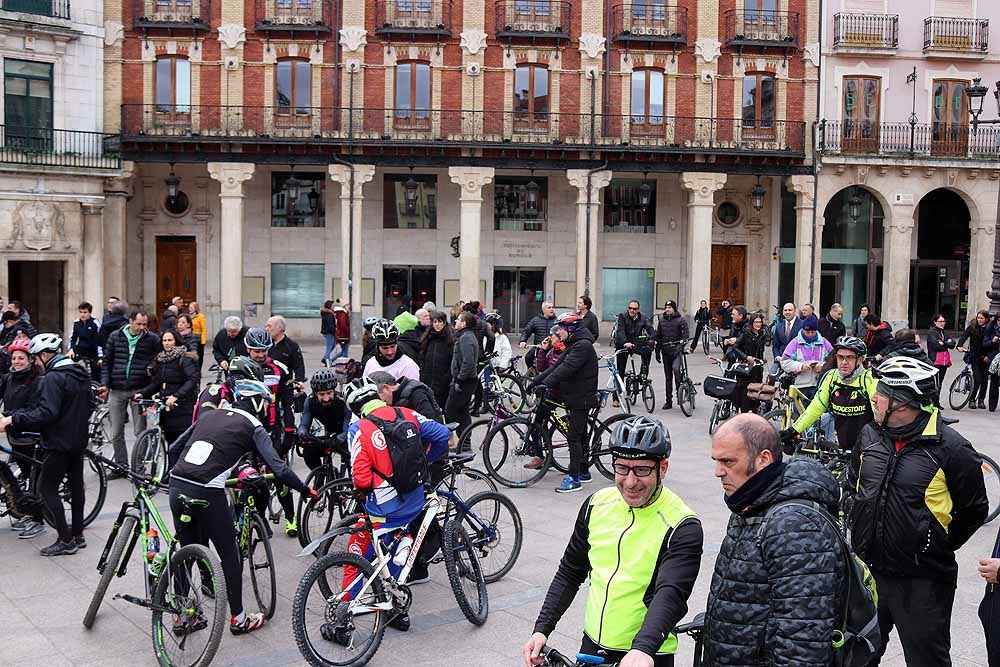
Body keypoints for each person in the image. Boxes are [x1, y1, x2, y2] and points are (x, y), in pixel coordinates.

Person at [523, 416, 703, 667]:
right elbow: (570, 572)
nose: (630, 481)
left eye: (642, 470)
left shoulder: (682, 525)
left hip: (645, 654)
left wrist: (643, 649)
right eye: (622, 468)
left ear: (662, 468)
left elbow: (670, 593)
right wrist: (542, 629)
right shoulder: (596, 504)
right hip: (592, 648)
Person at [850, 356, 987, 666]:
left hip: (922, 581)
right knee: (856, 657)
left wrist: (934, 542)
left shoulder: (952, 448)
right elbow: (853, 482)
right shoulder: (870, 434)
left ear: (902, 404)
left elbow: (975, 509)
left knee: (927, 660)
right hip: (868, 573)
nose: (873, 396)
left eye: (882, 393)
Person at [166, 379, 315, 635]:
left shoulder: (209, 415)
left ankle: (179, 617)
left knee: (187, 551)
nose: (267, 410)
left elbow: (174, 448)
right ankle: (239, 618)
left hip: (178, 485)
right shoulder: (254, 425)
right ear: (257, 403)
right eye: (266, 405)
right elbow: (278, 468)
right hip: (207, 490)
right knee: (229, 553)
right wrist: (305, 490)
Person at [704, 413, 844, 665]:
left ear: (763, 459)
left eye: (728, 461)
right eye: (716, 461)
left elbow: (803, 640)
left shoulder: (793, 526)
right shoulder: (753, 502)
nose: (718, 472)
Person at [338, 377, 451, 634]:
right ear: (378, 395)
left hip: (384, 506)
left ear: (354, 407)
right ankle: (397, 608)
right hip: (414, 498)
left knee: (359, 549)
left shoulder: (358, 429)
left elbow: (361, 479)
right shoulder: (407, 414)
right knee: (399, 543)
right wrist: (426, 460)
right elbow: (443, 435)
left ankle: (343, 618)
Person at [0, 334, 94, 556]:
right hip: (78, 440)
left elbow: (46, 413)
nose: (36, 363)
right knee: (76, 487)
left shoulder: (53, 378)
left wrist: (13, 419)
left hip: (58, 442)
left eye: (35, 358)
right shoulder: (79, 373)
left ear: (44, 355)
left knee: (47, 489)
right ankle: (78, 535)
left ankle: (65, 540)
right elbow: (91, 404)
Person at [530, 313, 598, 493]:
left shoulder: (582, 346)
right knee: (580, 436)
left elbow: (566, 369)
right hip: (575, 396)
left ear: (571, 329)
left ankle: (574, 479)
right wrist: (536, 381)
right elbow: (556, 366)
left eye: (561, 328)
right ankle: (584, 471)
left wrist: (546, 384)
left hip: (581, 397)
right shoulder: (574, 344)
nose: (558, 332)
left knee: (573, 437)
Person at [244, 327, 299, 536]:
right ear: (248, 349)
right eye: (256, 351)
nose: (260, 355)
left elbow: (289, 402)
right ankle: (259, 519)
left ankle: (291, 517)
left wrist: (290, 431)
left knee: (279, 475)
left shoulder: (279, 369)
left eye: (264, 351)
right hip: (247, 431)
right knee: (252, 480)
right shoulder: (239, 368)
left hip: (272, 430)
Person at [781, 336, 877, 453]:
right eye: (840, 357)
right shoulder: (831, 377)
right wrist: (794, 430)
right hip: (843, 445)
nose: (844, 362)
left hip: (868, 447)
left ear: (860, 359)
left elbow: (879, 415)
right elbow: (816, 407)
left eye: (849, 357)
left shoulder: (868, 379)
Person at [100, 310, 160, 475]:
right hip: (117, 389)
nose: (142, 327)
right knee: (116, 431)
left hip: (139, 389)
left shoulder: (152, 339)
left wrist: (150, 382)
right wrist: (105, 384)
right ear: (130, 322)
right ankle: (121, 466)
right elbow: (107, 362)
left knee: (140, 431)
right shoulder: (115, 337)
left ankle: (138, 467)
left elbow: (158, 361)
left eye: (145, 324)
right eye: (139, 324)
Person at [0, 339, 45, 538]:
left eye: (21, 358)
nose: (16, 361)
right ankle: (27, 509)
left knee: (35, 479)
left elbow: (34, 409)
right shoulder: (9, 378)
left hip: (31, 435)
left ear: (30, 360)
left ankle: (39, 519)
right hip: (15, 434)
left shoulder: (37, 380)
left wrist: (8, 417)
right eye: (14, 358)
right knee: (26, 474)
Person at [134, 330, 199, 446]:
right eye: (164, 340)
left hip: (182, 406)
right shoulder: (160, 359)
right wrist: (143, 393)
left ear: (176, 341)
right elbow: (157, 383)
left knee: (181, 441)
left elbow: (192, 380)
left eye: (170, 340)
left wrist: (176, 396)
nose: (167, 343)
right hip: (166, 406)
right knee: (169, 440)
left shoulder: (185, 358)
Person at [297, 368, 351, 485]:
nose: (326, 398)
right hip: (329, 435)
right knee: (308, 452)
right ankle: (320, 476)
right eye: (321, 394)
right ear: (315, 394)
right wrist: (302, 433)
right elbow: (304, 424)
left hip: (345, 433)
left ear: (334, 390)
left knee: (352, 461)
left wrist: (339, 439)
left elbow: (347, 430)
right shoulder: (310, 401)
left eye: (329, 393)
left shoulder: (342, 401)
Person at [778, 314, 833, 400]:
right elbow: (784, 362)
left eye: (813, 332)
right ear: (803, 330)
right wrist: (801, 366)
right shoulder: (795, 343)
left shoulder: (824, 343)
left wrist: (823, 367)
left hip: (819, 385)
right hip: (799, 386)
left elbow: (833, 361)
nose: (810, 334)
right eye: (807, 332)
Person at [613, 300, 654, 407]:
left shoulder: (643, 318)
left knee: (647, 352)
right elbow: (620, 331)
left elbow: (650, 329)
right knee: (620, 370)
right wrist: (625, 342)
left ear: (638, 310)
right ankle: (616, 397)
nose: (631, 310)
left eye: (634, 309)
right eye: (630, 308)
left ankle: (642, 375)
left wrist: (653, 339)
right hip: (623, 343)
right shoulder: (623, 316)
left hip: (636, 342)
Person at [193, 355, 264, 418]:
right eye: (249, 385)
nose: (251, 390)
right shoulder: (214, 391)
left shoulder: (244, 397)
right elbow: (204, 419)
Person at [446, 312, 480, 438]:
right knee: (462, 410)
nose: (455, 321)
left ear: (464, 323)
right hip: (464, 380)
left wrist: (459, 380)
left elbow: (468, 362)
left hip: (464, 381)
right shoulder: (465, 336)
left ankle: (464, 438)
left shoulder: (466, 337)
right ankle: (464, 441)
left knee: (451, 409)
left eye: (458, 319)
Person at [369, 370, 445, 424]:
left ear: (386, 388)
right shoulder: (396, 398)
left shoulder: (417, 393)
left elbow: (430, 421)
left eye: (378, 398)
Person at [653, 301, 689, 410]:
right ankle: (668, 401)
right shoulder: (662, 320)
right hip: (666, 352)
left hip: (677, 352)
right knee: (668, 377)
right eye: (666, 307)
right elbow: (659, 337)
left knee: (676, 369)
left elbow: (685, 336)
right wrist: (657, 351)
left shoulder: (681, 320)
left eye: (669, 307)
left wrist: (680, 347)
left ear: (674, 308)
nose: (667, 309)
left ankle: (679, 394)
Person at [729, 312, 767, 413]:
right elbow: (735, 348)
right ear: (751, 323)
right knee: (745, 395)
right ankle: (744, 415)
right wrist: (746, 357)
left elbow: (761, 351)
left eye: (760, 322)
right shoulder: (746, 333)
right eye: (756, 322)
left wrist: (762, 360)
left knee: (756, 394)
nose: (758, 324)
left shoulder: (762, 334)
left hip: (757, 368)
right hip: (745, 369)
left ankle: (754, 415)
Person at [419, 311, 453, 411]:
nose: (437, 324)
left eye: (440, 321)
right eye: (435, 322)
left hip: (443, 382)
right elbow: (422, 357)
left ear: (444, 323)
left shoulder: (450, 339)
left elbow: (453, 361)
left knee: (445, 410)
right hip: (428, 380)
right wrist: (423, 374)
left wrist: (447, 377)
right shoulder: (427, 338)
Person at [958, 309, 991, 409]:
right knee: (977, 379)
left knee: (984, 380)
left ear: (986, 319)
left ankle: (981, 400)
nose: (979, 320)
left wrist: (988, 356)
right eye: (978, 318)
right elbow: (964, 337)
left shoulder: (990, 328)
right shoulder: (972, 327)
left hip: (986, 357)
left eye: (982, 318)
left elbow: (992, 344)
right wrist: (959, 345)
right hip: (975, 357)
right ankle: (971, 399)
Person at [266, 315, 306, 386]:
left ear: (280, 328)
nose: (266, 329)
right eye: (266, 326)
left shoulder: (292, 346)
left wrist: (299, 381)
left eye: (269, 326)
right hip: (267, 384)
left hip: (285, 386)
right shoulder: (265, 343)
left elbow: (299, 366)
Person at [927, 313, 956, 407]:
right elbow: (936, 346)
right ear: (935, 322)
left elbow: (952, 344)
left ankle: (936, 402)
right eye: (940, 321)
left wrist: (944, 343)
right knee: (935, 383)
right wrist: (946, 343)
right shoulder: (932, 332)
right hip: (935, 360)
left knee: (940, 382)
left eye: (944, 321)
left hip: (944, 362)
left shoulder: (943, 333)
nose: (942, 323)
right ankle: (932, 402)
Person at [518, 301, 557, 368]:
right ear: (543, 310)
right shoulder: (535, 320)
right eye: (549, 308)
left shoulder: (557, 321)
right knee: (528, 357)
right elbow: (526, 331)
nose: (551, 309)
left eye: (552, 307)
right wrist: (522, 341)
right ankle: (531, 372)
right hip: (539, 347)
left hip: (553, 348)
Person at [70, 302, 101, 382]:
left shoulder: (95, 323)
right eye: (80, 312)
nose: (82, 315)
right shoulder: (76, 323)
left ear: (90, 313)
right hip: (80, 350)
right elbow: (73, 338)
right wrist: (71, 349)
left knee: (95, 374)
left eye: (85, 312)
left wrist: (100, 356)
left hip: (93, 352)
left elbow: (99, 340)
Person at [770, 302, 801, 374]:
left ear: (795, 311)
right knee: (772, 375)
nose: (787, 312)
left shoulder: (802, 325)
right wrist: (777, 356)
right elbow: (775, 346)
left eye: (790, 310)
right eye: (785, 310)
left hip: (796, 361)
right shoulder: (778, 326)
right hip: (780, 360)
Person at [985, 312, 1000, 412]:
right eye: (999, 320)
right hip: (994, 359)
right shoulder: (991, 329)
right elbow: (985, 343)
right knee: (994, 382)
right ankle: (992, 405)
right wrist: (992, 341)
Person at [188, 301, 207, 372]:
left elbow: (204, 329)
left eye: (191, 307)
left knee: (199, 356)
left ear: (195, 308)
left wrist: (203, 341)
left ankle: (198, 370)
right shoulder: (188, 316)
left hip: (198, 339)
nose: (190, 309)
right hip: (190, 338)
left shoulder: (201, 316)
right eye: (189, 307)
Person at [320, 300, 337, 367]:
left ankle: (325, 358)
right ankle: (327, 361)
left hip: (327, 331)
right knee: (329, 347)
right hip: (329, 332)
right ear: (329, 306)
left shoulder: (327, 313)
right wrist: (334, 332)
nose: (334, 306)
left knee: (333, 345)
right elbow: (330, 325)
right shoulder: (329, 314)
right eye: (333, 305)